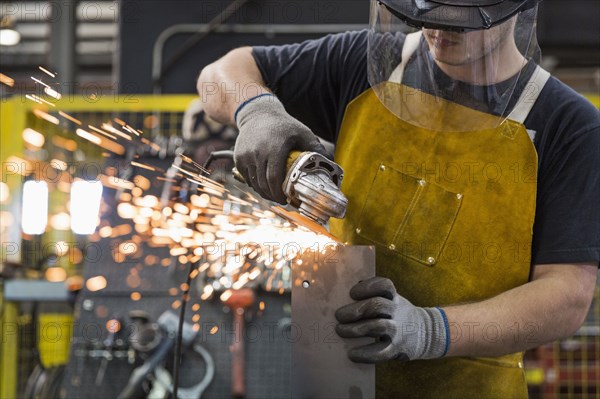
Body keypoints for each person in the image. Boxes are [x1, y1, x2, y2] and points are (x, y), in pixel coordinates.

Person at [197, 0, 599, 397]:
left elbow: (565, 296)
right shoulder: (363, 63)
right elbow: (220, 75)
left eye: (457, 23)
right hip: (334, 377)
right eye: (425, 17)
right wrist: (256, 111)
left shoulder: (569, 126)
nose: (437, 32)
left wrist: (429, 331)